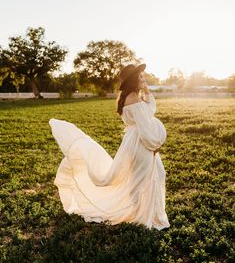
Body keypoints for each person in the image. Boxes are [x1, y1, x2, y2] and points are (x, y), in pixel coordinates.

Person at [49, 63, 170, 230]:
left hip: (134, 142)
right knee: (142, 180)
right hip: (140, 144)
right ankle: (141, 217)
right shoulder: (133, 98)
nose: (144, 79)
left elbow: (147, 114)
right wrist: (154, 145)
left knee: (149, 176)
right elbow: (145, 127)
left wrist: (147, 92)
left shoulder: (129, 96)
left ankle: (144, 213)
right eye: (141, 76)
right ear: (134, 79)